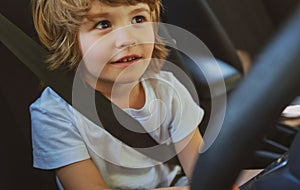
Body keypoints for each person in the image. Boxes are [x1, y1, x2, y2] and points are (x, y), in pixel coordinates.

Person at [30, 0, 205, 189]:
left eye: (138, 19)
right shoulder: (54, 114)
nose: (128, 39)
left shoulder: (167, 89)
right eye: (103, 25)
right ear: (67, 39)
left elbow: (203, 173)